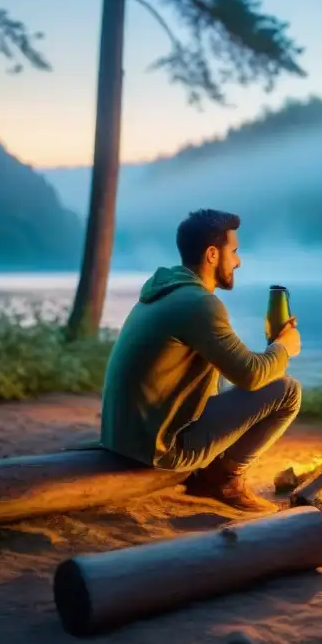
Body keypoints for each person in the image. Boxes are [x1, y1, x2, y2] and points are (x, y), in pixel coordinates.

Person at [99, 209, 303, 510]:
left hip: (124, 438)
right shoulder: (200, 304)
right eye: (233, 251)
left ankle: (218, 470)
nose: (238, 261)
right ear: (211, 254)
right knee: (287, 391)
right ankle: (225, 480)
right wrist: (284, 347)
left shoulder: (167, 292)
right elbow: (250, 375)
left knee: (225, 378)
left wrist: (271, 350)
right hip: (160, 449)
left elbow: (233, 369)